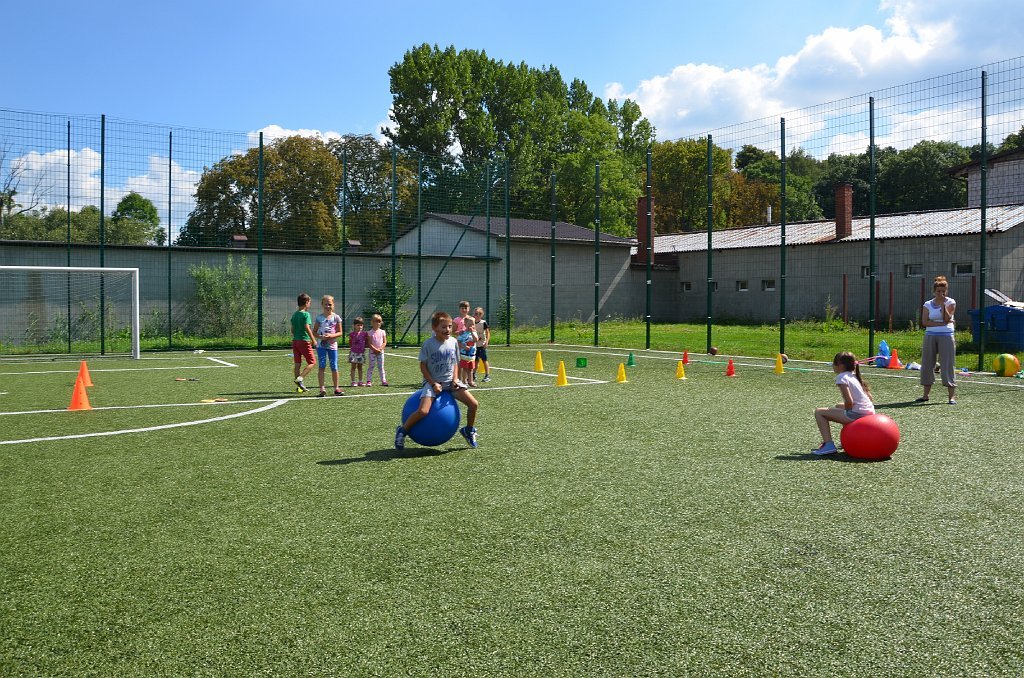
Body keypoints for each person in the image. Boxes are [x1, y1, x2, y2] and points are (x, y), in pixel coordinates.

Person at [395, 311, 479, 450]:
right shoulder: (428, 344)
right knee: (423, 411)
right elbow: (423, 366)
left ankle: (468, 430)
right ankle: (402, 431)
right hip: (432, 382)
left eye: (450, 326)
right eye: (443, 327)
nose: (447, 330)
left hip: (450, 382)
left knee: (474, 404)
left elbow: (455, 363)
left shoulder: (453, 342)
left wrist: (455, 378)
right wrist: (433, 383)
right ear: (434, 328)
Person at [811, 351, 875, 455]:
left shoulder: (841, 377)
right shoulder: (854, 376)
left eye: (833, 364)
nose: (833, 366)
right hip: (869, 411)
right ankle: (848, 439)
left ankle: (828, 445)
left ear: (840, 365)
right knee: (838, 406)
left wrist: (847, 412)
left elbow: (849, 401)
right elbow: (870, 398)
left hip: (858, 414)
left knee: (819, 412)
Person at [918, 275, 957, 405]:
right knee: (927, 364)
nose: (941, 293)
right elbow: (925, 322)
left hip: (946, 335)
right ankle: (925, 395)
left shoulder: (950, 302)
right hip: (930, 335)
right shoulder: (927, 304)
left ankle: (951, 397)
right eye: (938, 291)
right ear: (934, 291)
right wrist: (939, 323)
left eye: (943, 291)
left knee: (947, 364)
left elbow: (947, 318)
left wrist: (943, 306)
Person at [312, 295, 344, 396]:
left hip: (332, 346)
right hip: (321, 346)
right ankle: (322, 388)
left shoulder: (336, 317)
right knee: (322, 366)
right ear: (322, 305)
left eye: (330, 304)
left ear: (333, 305)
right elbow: (314, 332)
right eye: (325, 304)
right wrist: (321, 337)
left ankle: (336, 388)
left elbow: (340, 332)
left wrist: (331, 336)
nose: (328, 306)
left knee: (334, 366)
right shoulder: (319, 318)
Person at [290, 292, 317, 393]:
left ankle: (299, 387)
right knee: (312, 362)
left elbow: (292, 330)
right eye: (309, 302)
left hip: (295, 341)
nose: (310, 304)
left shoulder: (294, 315)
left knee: (297, 363)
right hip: (304, 341)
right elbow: (307, 327)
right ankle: (300, 378)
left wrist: (297, 335)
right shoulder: (306, 314)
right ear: (306, 302)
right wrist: (313, 339)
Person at [366, 313, 389, 387]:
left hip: (380, 352)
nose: (378, 323)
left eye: (379, 321)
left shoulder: (382, 332)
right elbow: (369, 343)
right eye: (376, 321)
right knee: (371, 366)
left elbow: (384, 342)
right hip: (372, 353)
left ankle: (383, 380)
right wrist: (375, 349)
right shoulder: (370, 332)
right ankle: (369, 381)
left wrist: (380, 349)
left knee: (381, 367)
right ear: (372, 322)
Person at [457, 316, 478, 387]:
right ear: (465, 325)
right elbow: (458, 342)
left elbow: (476, 340)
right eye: (469, 325)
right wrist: (464, 347)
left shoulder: (474, 332)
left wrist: (472, 332)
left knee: (471, 368)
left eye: (473, 324)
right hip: (464, 355)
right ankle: (464, 381)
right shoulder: (462, 333)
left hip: (471, 355)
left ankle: (470, 381)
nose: (471, 326)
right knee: (465, 368)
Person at [473, 306, 491, 382]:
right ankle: (473, 375)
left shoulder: (483, 323)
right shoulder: (472, 322)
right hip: (475, 345)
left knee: (484, 360)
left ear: (481, 315)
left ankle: (487, 375)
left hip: (482, 345)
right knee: (475, 361)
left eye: (479, 314)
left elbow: (488, 333)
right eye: (475, 313)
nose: (477, 315)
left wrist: (486, 342)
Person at [348, 317, 368, 387]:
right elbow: (350, 342)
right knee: (353, 367)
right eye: (358, 325)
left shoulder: (364, 334)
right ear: (354, 326)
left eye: (361, 325)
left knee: (360, 367)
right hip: (354, 353)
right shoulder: (352, 334)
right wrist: (352, 349)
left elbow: (367, 341)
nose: (360, 327)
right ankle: (353, 381)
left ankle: (360, 381)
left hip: (361, 353)